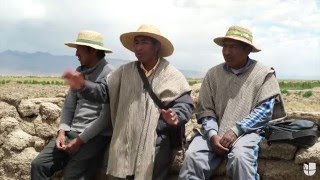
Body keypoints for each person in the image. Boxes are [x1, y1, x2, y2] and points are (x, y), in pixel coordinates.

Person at [63, 24, 194, 180]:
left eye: (144, 42)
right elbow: (103, 92)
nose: (138, 47)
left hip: (156, 141)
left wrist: (175, 115)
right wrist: (83, 86)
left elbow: (185, 104)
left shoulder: (171, 75)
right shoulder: (123, 72)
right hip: (125, 141)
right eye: (136, 43)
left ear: (157, 46)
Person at [178, 25, 286, 180]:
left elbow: (264, 111)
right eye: (225, 46)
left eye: (233, 47)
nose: (227, 52)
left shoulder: (263, 74)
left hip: (248, 132)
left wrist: (236, 130)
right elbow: (206, 110)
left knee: (240, 159)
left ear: (247, 49)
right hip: (216, 130)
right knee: (193, 157)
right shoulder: (213, 74)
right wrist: (212, 135)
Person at [31, 30, 114, 180]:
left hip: (93, 138)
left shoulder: (110, 75)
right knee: (39, 165)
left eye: (79, 49)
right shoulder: (79, 71)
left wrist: (80, 140)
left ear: (93, 51)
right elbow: (69, 106)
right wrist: (62, 132)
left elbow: (105, 117)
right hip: (71, 133)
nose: (76, 54)